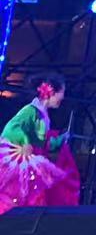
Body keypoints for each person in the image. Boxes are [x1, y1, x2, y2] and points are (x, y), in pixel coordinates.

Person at [0, 76, 70, 215]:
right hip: (23, 163)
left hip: (35, 163)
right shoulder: (30, 110)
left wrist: (60, 140)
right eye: (62, 92)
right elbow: (12, 128)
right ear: (51, 92)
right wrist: (25, 142)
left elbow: (44, 144)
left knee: (35, 199)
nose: (63, 97)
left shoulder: (43, 115)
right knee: (17, 198)